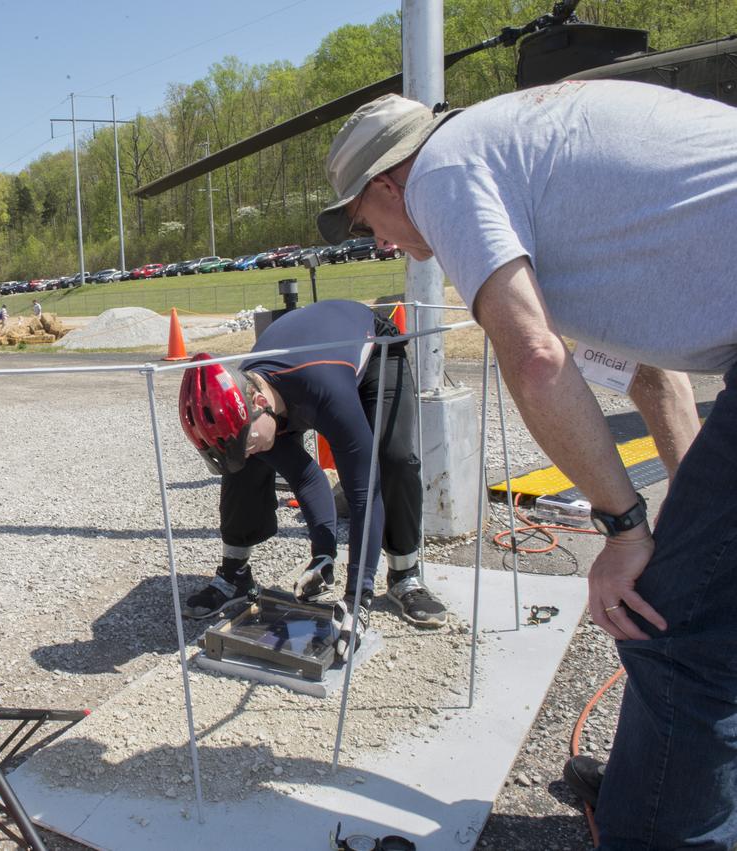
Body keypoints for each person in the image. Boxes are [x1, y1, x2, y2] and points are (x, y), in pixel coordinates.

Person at [318, 81, 737, 848]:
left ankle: (661, 826)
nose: (378, 242)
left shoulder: (444, 171)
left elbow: (536, 360)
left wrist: (624, 530)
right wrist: (675, 511)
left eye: (364, 221)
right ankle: (669, 782)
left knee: (675, 623)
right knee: (701, 589)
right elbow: (649, 374)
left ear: (387, 183)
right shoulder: (526, 169)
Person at [178, 299, 448, 639]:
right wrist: (323, 554)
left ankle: (404, 575)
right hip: (301, 367)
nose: (245, 448)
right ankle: (235, 573)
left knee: (391, 459)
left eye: (245, 439)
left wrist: (356, 598)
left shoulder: (324, 391)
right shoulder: (246, 399)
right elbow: (306, 477)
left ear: (259, 403)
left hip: (373, 350)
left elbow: (364, 492)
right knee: (242, 469)